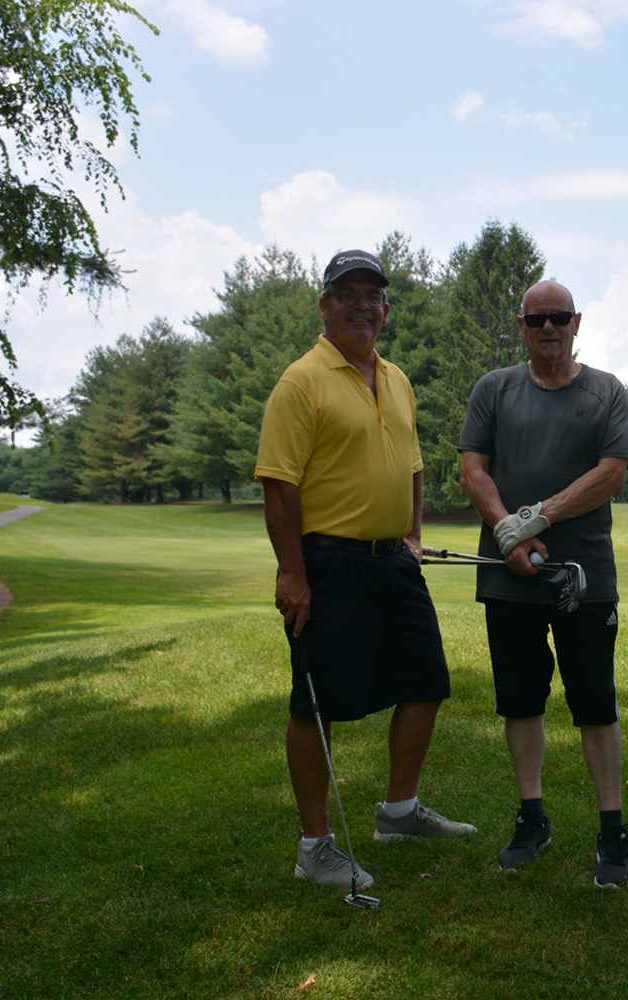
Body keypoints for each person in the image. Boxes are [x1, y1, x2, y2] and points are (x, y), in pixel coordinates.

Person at [255, 249, 475, 891]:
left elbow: (412, 465)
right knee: (316, 702)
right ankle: (315, 846)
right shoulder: (301, 382)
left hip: (393, 562)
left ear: (386, 309)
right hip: (329, 563)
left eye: (372, 295)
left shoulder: (396, 378)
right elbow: (279, 486)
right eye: (347, 294)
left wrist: (413, 534)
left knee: (426, 681)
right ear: (325, 305)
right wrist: (292, 574)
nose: (361, 305)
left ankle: (399, 812)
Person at [458, 280, 628, 889]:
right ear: (522, 325)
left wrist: (532, 521)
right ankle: (532, 817)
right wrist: (507, 535)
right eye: (536, 319)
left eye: (559, 318)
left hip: (584, 579)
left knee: (595, 702)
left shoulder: (606, 392)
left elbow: (611, 474)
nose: (548, 329)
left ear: (577, 322)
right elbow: (473, 470)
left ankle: (611, 828)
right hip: (507, 577)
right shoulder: (494, 389)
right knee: (520, 700)